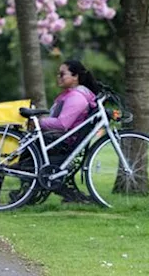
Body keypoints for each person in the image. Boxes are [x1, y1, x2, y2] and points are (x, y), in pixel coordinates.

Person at [39, 58, 101, 204]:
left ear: (75, 77)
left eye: (62, 74)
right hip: (58, 138)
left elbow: (62, 124)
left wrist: (36, 122)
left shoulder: (77, 98)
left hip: (61, 141)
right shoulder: (72, 94)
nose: (58, 77)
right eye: (58, 74)